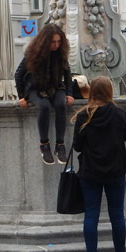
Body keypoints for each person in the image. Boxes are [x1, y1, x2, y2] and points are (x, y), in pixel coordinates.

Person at [70, 77, 126, 252]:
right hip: (116, 169)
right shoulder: (120, 113)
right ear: (110, 91)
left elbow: (77, 146)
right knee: (117, 215)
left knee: (91, 215)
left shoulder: (84, 116)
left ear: (92, 92)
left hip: (90, 171)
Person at [15, 23, 75, 165]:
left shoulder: (60, 54)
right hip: (35, 88)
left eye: (59, 42)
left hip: (55, 87)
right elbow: (18, 74)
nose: (56, 45)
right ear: (45, 41)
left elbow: (68, 74)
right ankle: (44, 145)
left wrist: (69, 93)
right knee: (44, 106)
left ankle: (60, 145)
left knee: (61, 104)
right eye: (53, 42)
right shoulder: (33, 53)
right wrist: (22, 97)